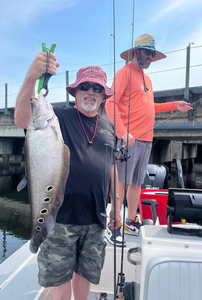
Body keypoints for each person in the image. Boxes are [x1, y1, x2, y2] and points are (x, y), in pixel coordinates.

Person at [14, 52, 119, 300]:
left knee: (85, 278)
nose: (91, 92)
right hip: (60, 218)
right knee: (59, 287)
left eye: (97, 88)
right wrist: (32, 76)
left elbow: (112, 167)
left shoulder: (109, 126)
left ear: (104, 95)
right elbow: (22, 118)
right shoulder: (58, 117)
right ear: (76, 92)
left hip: (96, 219)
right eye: (85, 86)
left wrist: (117, 203)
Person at [105, 33, 192, 238]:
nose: (150, 57)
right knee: (121, 181)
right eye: (147, 52)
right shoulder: (124, 73)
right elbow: (110, 103)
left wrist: (174, 106)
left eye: (152, 54)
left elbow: (148, 106)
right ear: (136, 52)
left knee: (136, 182)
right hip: (128, 140)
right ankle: (114, 223)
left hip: (145, 140)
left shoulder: (147, 79)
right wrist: (122, 132)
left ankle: (129, 220)